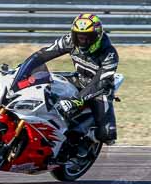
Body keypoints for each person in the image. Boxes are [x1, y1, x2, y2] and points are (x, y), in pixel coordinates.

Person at [29, 13, 119, 158]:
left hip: (100, 90)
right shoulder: (69, 41)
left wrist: (76, 101)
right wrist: (24, 68)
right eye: (79, 36)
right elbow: (44, 54)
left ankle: (88, 139)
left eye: (87, 37)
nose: (82, 40)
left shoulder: (109, 53)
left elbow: (99, 82)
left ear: (97, 36)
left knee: (108, 134)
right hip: (77, 79)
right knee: (43, 84)